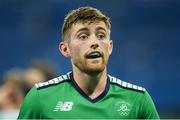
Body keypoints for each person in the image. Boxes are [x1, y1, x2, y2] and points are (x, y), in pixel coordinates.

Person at [18, 6, 160, 119]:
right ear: (65, 49)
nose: (94, 42)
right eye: (83, 36)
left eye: (101, 35)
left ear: (110, 47)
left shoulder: (138, 100)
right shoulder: (40, 98)